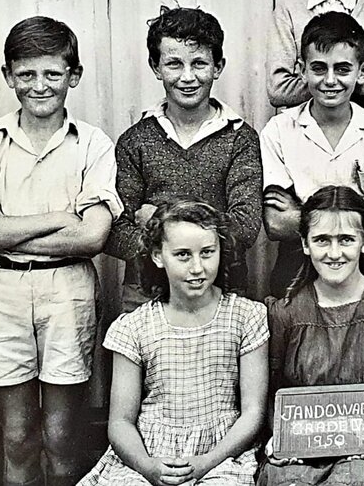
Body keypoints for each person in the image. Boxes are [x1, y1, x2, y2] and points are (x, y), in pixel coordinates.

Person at [0, 16, 123, 486]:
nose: (39, 85)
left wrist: (1, 226)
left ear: (74, 75)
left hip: (67, 290)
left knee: (62, 436)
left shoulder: (92, 143)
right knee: (18, 437)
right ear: (8, 76)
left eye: (52, 73)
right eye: (26, 74)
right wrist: (57, 217)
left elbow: (92, 238)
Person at [80, 199, 269, 485]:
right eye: (182, 255)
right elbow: (120, 422)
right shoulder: (134, 327)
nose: (197, 267)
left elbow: (253, 413)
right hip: (148, 455)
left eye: (207, 253)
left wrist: (207, 462)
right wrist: (147, 466)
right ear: (158, 256)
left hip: (222, 455)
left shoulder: (246, 316)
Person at [259, 185, 364, 486]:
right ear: (305, 244)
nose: (335, 253)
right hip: (299, 453)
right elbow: (271, 393)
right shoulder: (286, 313)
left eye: (346, 239)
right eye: (322, 240)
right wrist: (279, 436)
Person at [106, 7, 262, 311]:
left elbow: (245, 226)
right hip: (145, 293)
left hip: (223, 291)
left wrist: (158, 220)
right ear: (155, 66)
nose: (188, 77)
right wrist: (198, 232)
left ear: (218, 66)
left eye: (200, 63)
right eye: (174, 64)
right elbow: (116, 230)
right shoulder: (135, 140)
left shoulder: (240, 138)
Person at [261, 12, 364, 298]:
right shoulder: (279, 130)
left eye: (343, 69)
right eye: (319, 68)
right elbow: (276, 223)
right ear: (301, 69)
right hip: (296, 263)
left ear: (362, 71)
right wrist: (362, 207)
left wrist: (302, 207)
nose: (330, 80)